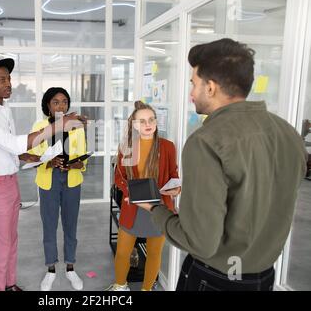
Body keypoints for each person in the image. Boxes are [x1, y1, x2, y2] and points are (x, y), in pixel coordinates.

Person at [135, 38, 308, 291]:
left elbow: (200, 241)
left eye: (194, 84)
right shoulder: (288, 134)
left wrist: (155, 209)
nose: (191, 93)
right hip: (263, 278)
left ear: (211, 88)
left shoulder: (206, 141)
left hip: (216, 280)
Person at [0, 57, 86, 291]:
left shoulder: (4, 110)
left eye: (9, 78)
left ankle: (10, 284)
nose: (8, 83)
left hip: (12, 180)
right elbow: (14, 144)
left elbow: (12, 151)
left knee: (11, 241)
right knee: (3, 244)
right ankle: (0, 287)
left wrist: (32, 157)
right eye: (1, 79)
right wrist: (57, 128)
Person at [107, 101, 181, 291]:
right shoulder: (127, 146)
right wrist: (127, 192)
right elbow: (119, 176)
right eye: (142, 121)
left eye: (151, 119)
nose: (148, 124)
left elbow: (173, 175)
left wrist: (175, 189)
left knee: (154, 253)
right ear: (134, 125)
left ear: (156, 122)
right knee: (123, 252)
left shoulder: (168, 147)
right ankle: (120, 286)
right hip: (133, 206)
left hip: (160, 208)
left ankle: (147, 289)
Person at [28, 87, 88, 291]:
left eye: (64, 101)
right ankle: (51, 269)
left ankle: (70, 267)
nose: (61, 106)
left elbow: (83, 161)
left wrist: (73, 164)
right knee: (49, 226)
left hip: (72, 180)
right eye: (56, 102)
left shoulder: (76, 126)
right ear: (48, 105)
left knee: (71, 225)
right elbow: (34, 157)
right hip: (49, 180)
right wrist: (48, 163)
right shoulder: (39, 126)